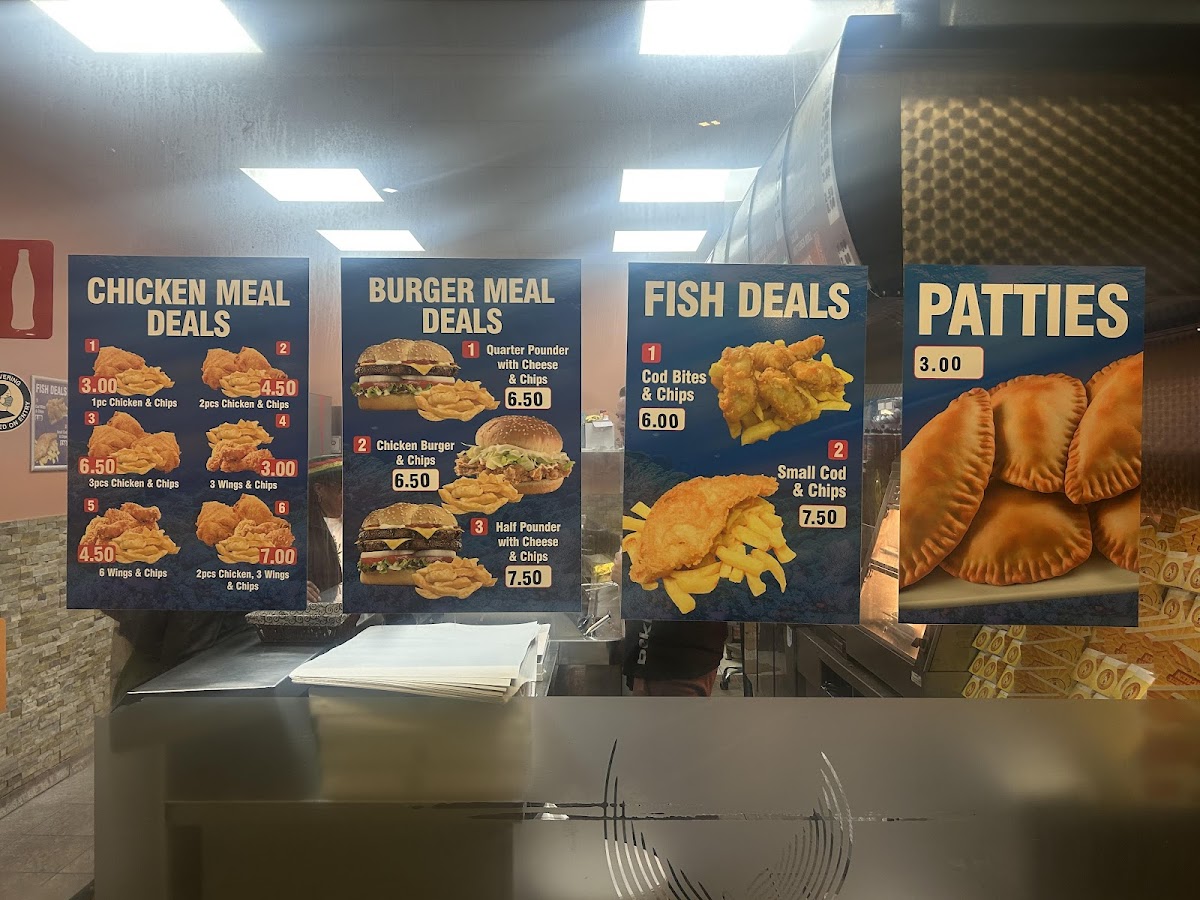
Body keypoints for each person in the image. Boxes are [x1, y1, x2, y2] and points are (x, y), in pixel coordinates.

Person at [307, 454, 343, 603]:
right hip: (323, 610)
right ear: (319, 489)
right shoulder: (301, 528)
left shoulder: (361, 520)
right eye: (341, 488)